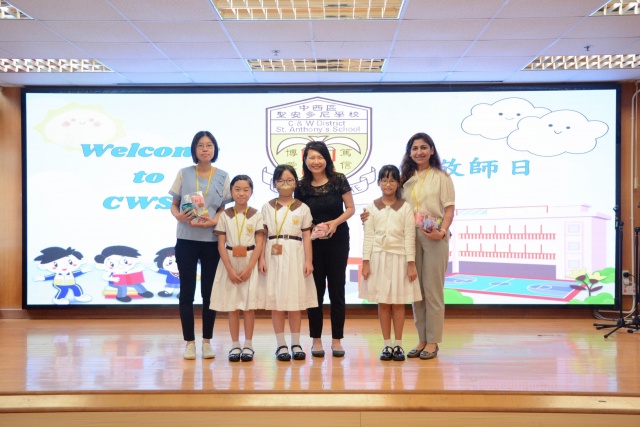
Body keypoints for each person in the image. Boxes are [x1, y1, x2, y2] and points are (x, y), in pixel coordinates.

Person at [361, 132, 454, 360]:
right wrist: (368, 216)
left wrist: (442, 232)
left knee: (432, 291)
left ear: (432, 150)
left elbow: (449, 210)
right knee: (416, 291)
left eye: (423, 147)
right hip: (409, 238)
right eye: (414, 148)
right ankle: (422, 339)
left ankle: (433, 341)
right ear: (409, 152)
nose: (419, 152)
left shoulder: (442, 177)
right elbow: (391, 205)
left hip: (434, 236)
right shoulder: (405, 178)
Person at [169, 130, 231, 360]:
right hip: (186, 239)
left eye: (209, 145)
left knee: (209, 294)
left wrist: (215, 220)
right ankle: (189, 343)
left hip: (211, 241)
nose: (205, 149)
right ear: (194, 149)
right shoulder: (184, 173)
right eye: (200, 145)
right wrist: (178, 216)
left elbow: (223, 208)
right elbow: (174, 204)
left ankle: (206, 342)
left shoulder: (223, 176)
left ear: (215, 149)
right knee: (187, 293)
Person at [295, 141, 355, 358]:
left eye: (320, 157)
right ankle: (316, 340)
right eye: (311, 157)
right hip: (313, 243)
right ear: (305, 160)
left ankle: (337, 340)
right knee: (315, 291)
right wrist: (313, 227)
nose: (316, 161)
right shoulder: (301, 186)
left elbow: (350, 208)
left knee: (337, 289)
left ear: (327, 159)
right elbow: (298, 214)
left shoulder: (339, 180)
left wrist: (334, 223)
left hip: (338, 240)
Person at [359, 165, 421, 362]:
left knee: (399, 303)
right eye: (384, 180)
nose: (388, 184)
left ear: (398, 183)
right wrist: (366, 262)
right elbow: (368, 236)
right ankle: (387, 344)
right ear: (378, 183)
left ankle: (399, 345)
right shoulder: (371, 207)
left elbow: (409, 236)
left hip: (400, 259)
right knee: (383, 302)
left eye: (392, 180)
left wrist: (411, 263)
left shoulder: (405, 207)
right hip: (378, 258)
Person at [259, 165, 317, 362]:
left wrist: (308, 260)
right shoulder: (267, 207)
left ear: (296, 183)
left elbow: (307, 236)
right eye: (281, 180)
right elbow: (263, 235)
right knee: (276, 302)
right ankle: (281, 344)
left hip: (295, 254)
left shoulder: (303, 208)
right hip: (273, 255)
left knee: (295, 302)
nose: (285, 184)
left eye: (290, 180)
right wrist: (261, 258)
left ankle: (296, 343)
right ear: (275, 183)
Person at [210, 175, 264, 362]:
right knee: (232, 307)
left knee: (248, 307)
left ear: (251, 192)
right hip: (229, 262)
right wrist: (229, 269)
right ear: (231, 192)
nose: (241, 193)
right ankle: (235, 344)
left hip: (249, 261)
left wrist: (250, 267)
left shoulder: (257, 214)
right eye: (237, 189)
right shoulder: (225, 215)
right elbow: (220, 244)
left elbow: (259, 243)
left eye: (246, 189)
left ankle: (248, 344)